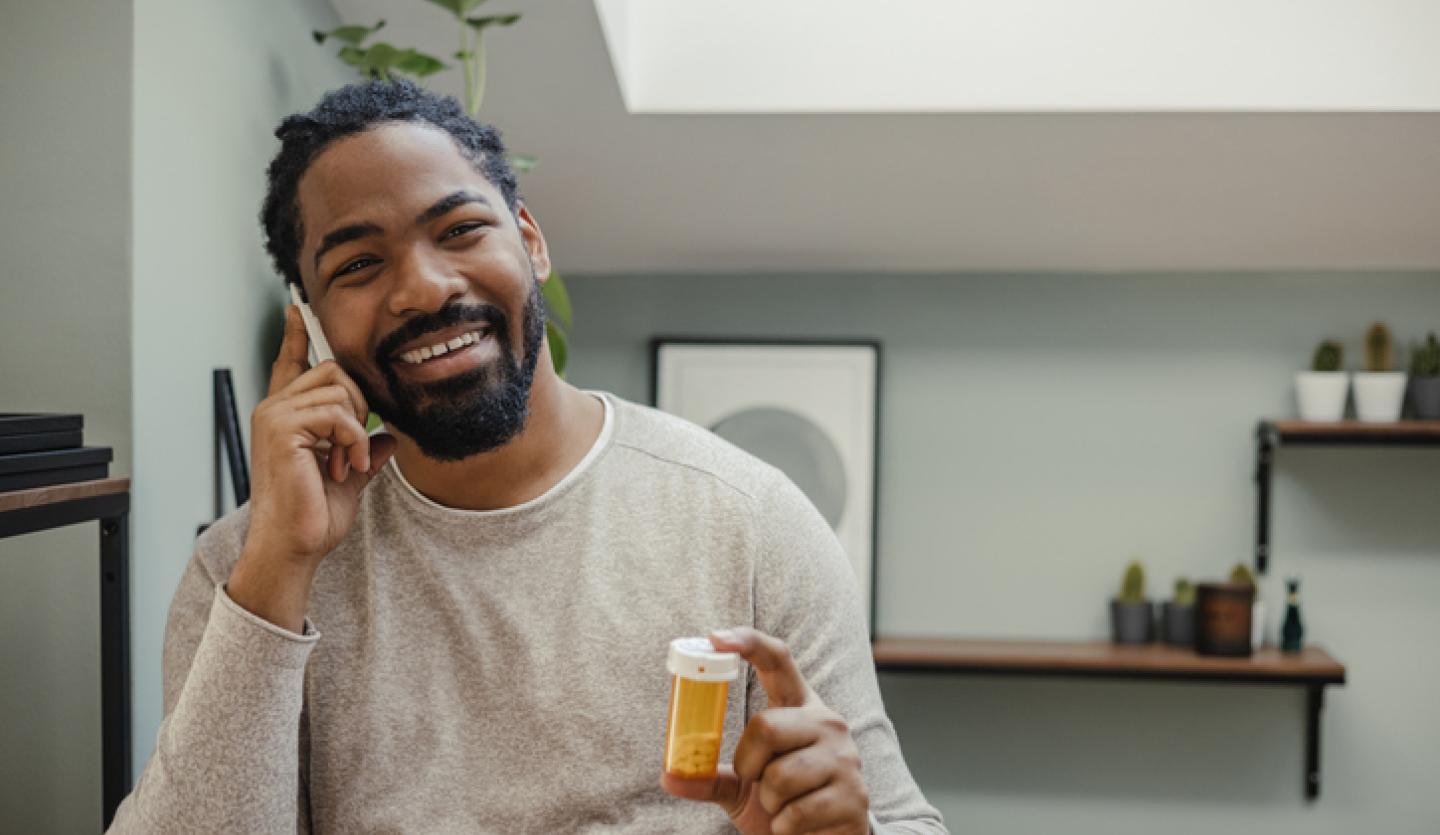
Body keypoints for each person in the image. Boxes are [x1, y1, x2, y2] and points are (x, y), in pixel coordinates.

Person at [108, 79, 946, 835]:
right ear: (313, 320)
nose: (425, 288)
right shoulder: (246, 570)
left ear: (531, 242)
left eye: (460, 228)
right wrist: (278, 568)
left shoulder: (747, 521)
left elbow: (900, 819)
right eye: (360, 263)